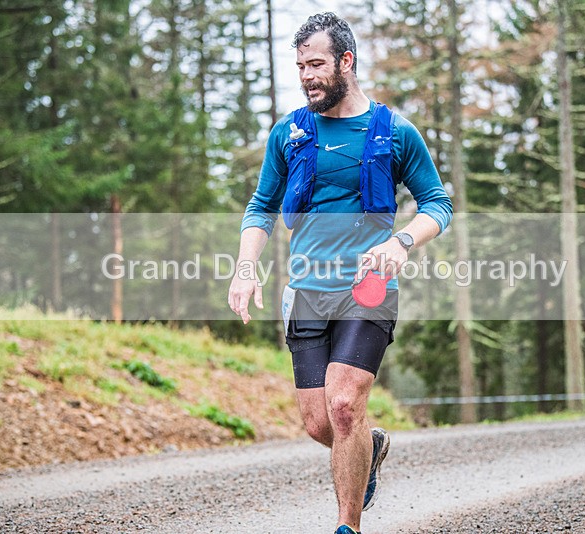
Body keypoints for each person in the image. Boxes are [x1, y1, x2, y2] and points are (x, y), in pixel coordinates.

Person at [228, 12, 452, 534]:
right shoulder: (288, 133)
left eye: (317, 64)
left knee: (346, 405)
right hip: (307, 291)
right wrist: (245, 269)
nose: (306, 75)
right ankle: (368, 447)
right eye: (300, 65)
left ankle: (347, 526)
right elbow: (260, 207)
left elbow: (437, 204)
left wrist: (401, 241)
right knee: (320, 423)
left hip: (368, 290)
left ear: (346, 62)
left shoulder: (395, 132)